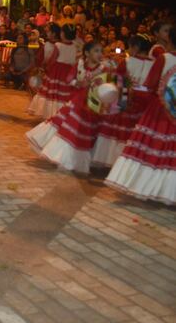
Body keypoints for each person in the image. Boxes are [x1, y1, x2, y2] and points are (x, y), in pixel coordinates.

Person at [105, 27, 176, 204]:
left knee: (152, 147)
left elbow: (151, 84)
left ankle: (147, 186)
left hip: (159, 108)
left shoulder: (164, 58)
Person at [26, 42, 114, 174]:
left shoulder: (103, 69)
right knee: (68, 129)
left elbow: (108, 86)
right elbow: (69, 78)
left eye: (101, 51)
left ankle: (80, 160)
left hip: (93, 105)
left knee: (86, 132)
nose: (100, 54)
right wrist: (77, 83)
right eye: (96, 51)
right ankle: (63, 157)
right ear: (87, 53)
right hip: (77, 101)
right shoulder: (79, 65)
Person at [92, 34, 155, 168]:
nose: (128, 50)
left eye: (130, 47)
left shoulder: (128, 61)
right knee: (139, 130)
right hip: (148, 101)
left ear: (136, 47)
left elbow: (118, 78)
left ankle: (115, 160)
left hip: (128, 96)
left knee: (119, 129)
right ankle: (134, 161)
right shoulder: (154, 63)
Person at [28, 24, 79, 119]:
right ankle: (62, 113)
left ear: (62, 34)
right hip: (69, 72)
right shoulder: (75, 46)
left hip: (56, 71)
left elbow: (52, 59)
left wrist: (46, 68)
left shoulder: (58, 45)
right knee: (64, 93)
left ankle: (50, 113)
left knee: (52, 93)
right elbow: (75, 60)